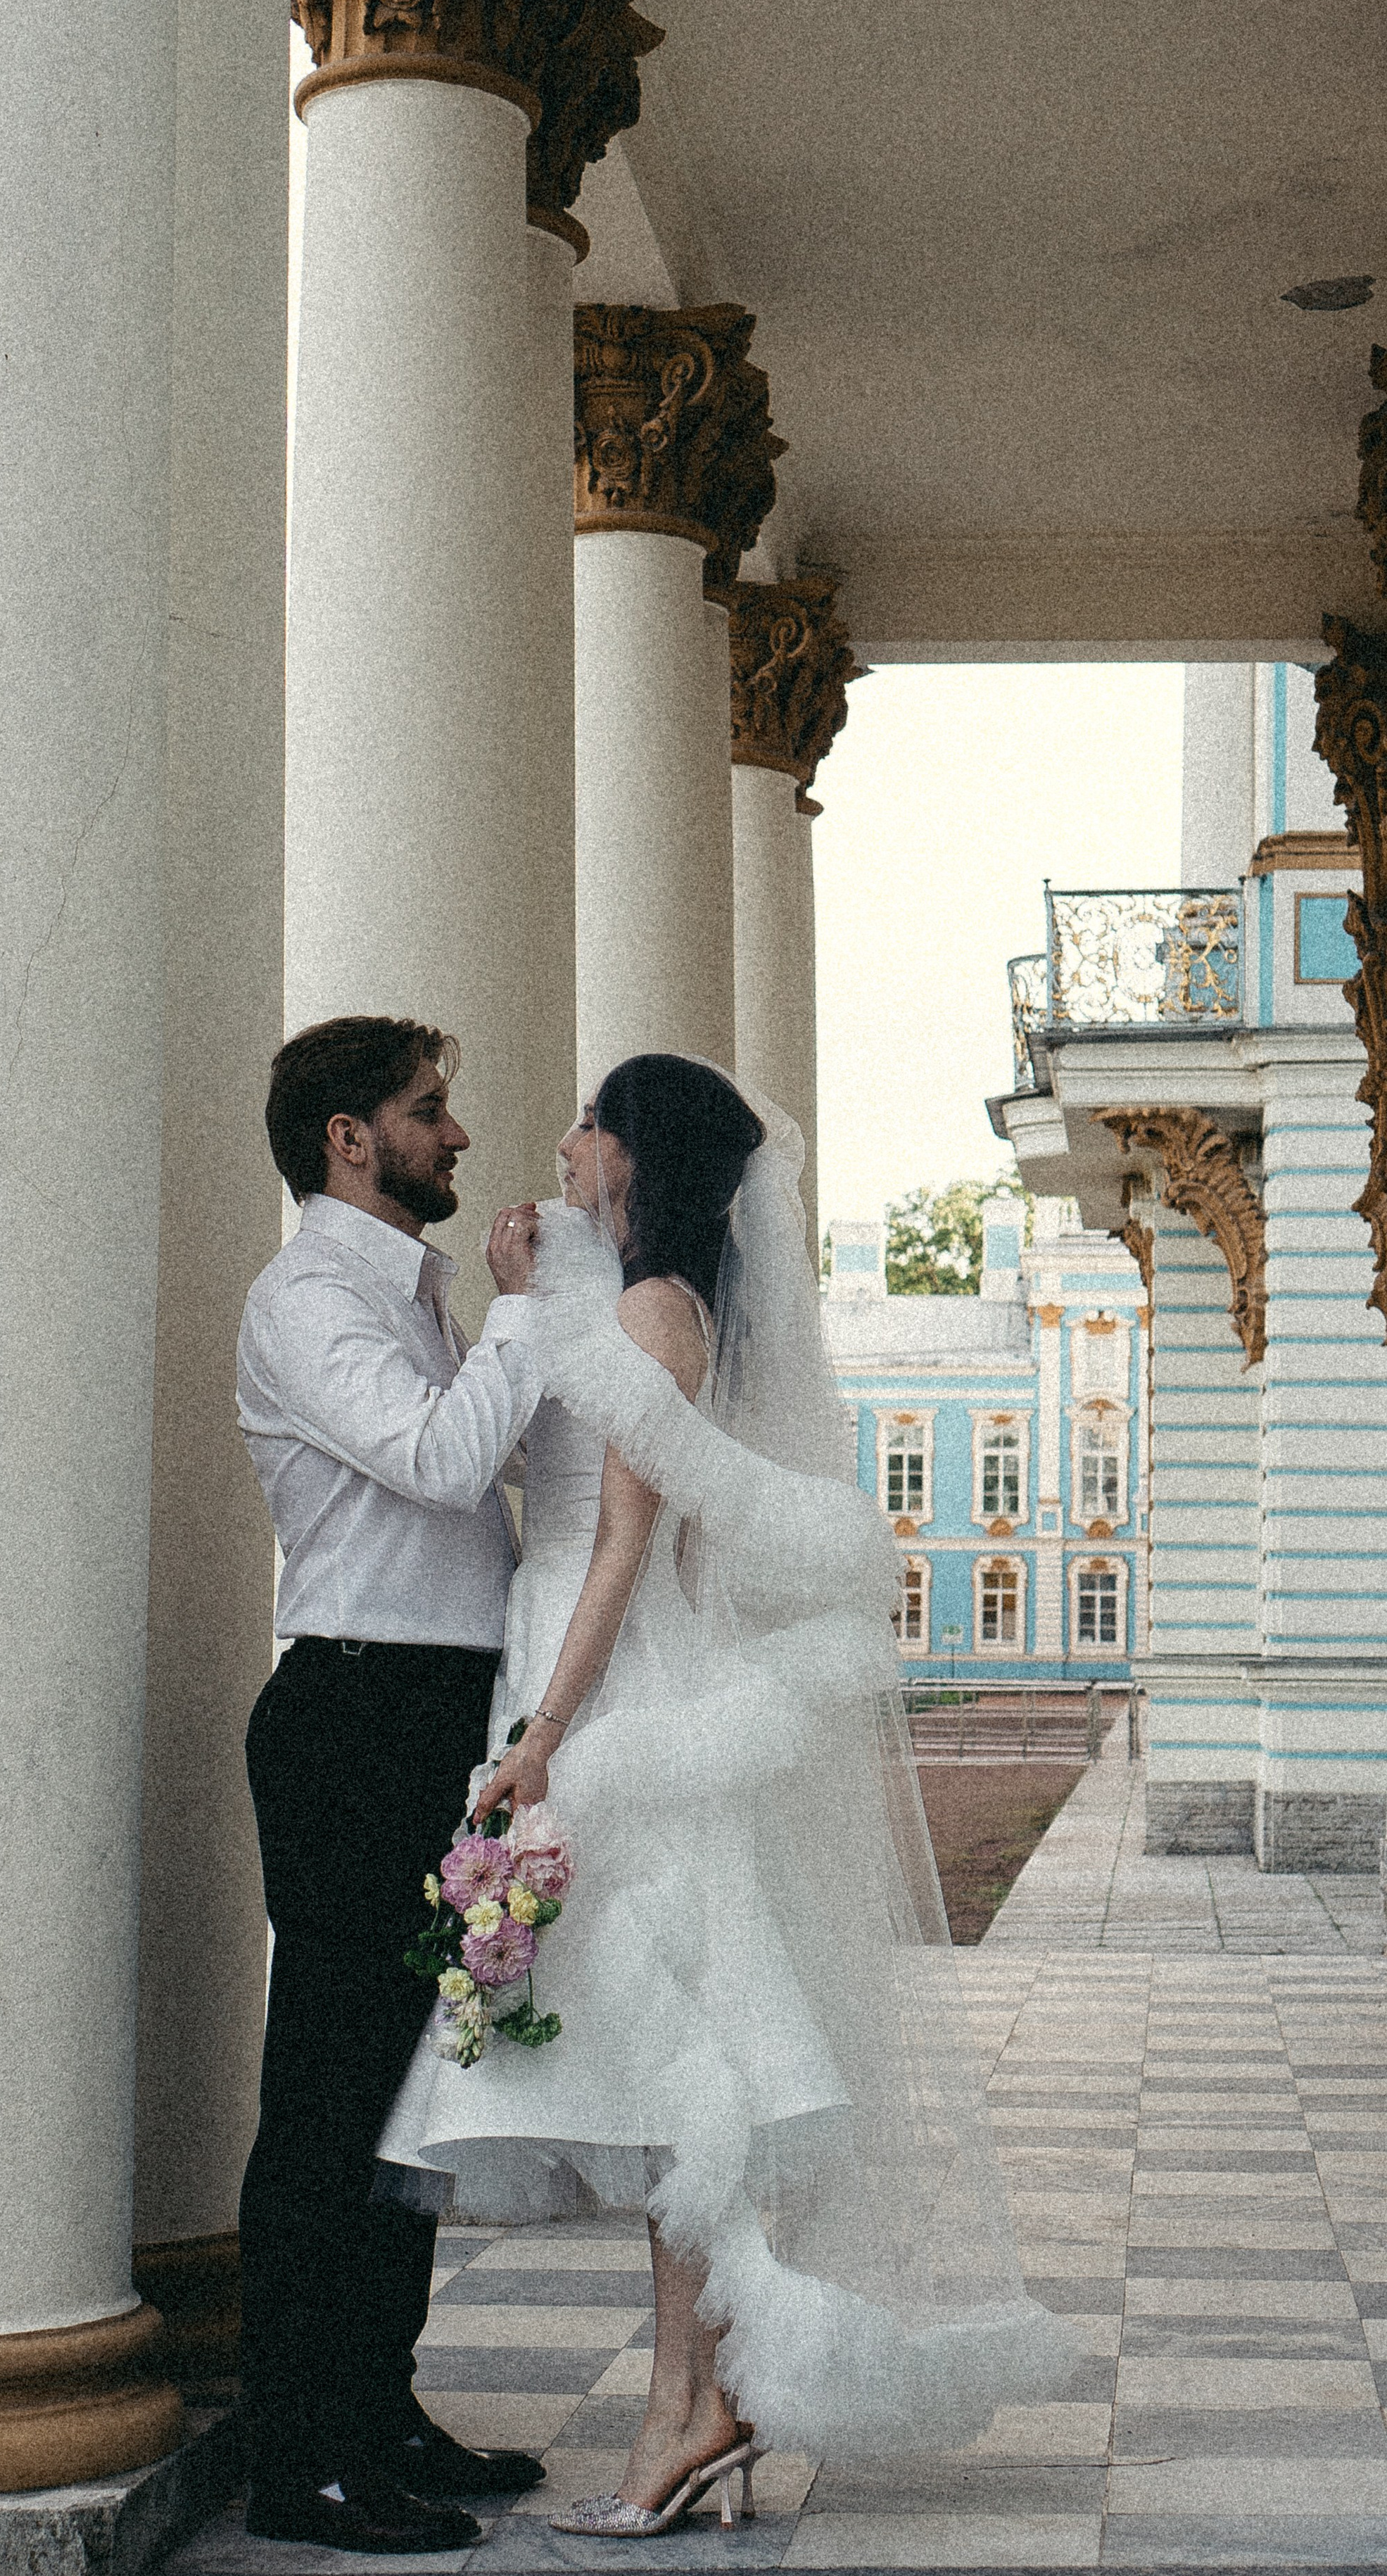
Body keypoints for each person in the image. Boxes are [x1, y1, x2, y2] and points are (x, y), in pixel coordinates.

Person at [380, 1053, 1079, 2537]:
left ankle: (687, 2411)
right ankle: (697, 2404)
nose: (562, 1141)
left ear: (637, 1157)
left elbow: (623, 1547)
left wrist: (545, 1736)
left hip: (614, 1681)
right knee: (666, 2073)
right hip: (587, 1656)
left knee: (680, 2068)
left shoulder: (650, 1312)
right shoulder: (636, 1302)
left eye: (590, 1123)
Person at [234, 1014, 550, 2553]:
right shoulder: (306, 1300)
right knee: (329, 2093)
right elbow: (436, 1461)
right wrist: (521, 1314)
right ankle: (299, 2457)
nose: (457, 1134)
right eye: (429, 1111)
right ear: (347, 1139)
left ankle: (378, 2405)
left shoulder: (410, 1292)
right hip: (354, 1715)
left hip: (431, 1713)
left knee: (409, 2088)